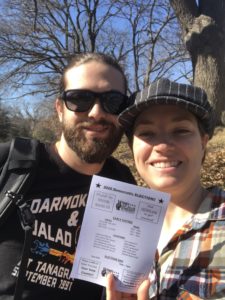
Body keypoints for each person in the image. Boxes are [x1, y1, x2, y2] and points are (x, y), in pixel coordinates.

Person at [0, 52, 136, 300]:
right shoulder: (9, 163)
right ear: (60, 109)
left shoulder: (124, 182)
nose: (96, 112)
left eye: (113, 101)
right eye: (80, 98)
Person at [116, 78, 225, 299]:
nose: (163, 146)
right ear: (131, 146)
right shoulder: (116, 227)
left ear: (203, 142)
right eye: (147, 133)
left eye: (181, 130)